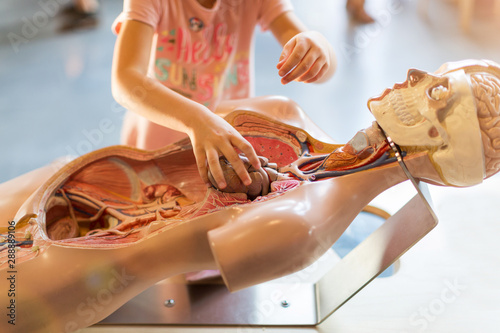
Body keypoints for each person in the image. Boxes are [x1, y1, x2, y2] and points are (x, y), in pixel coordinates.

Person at [2, 59, 499, 332]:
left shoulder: (300, 226)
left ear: (443, 147)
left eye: (436, 92)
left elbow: (210, 249)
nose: (414, 75)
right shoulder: (286, 112)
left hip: (56, 270)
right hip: (56, 181)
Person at [110, 0, 337, 192]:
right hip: (160, 152)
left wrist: (319, 46)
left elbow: (322, 68)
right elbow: (125, 80)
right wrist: (196, 119)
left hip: (227, 151)